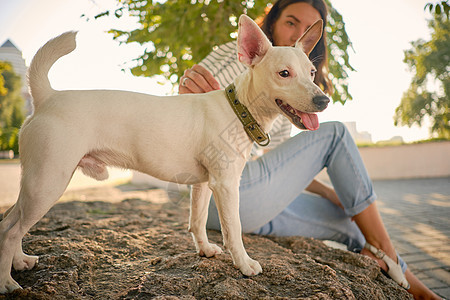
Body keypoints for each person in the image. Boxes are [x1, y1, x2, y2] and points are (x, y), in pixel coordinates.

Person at [178, 0, 440, 298]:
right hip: (217, 190)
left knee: (351, 223)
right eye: (291, 22)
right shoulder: (239, 55)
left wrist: (332, 194)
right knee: (336, 134)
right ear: (273, 22)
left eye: (307, 29)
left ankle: (415, 287)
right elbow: (191, 96)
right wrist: (186, 89)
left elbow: (273, 159)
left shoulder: (288, 95)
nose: (297, 34)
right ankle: (395, 261)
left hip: (248, 204)